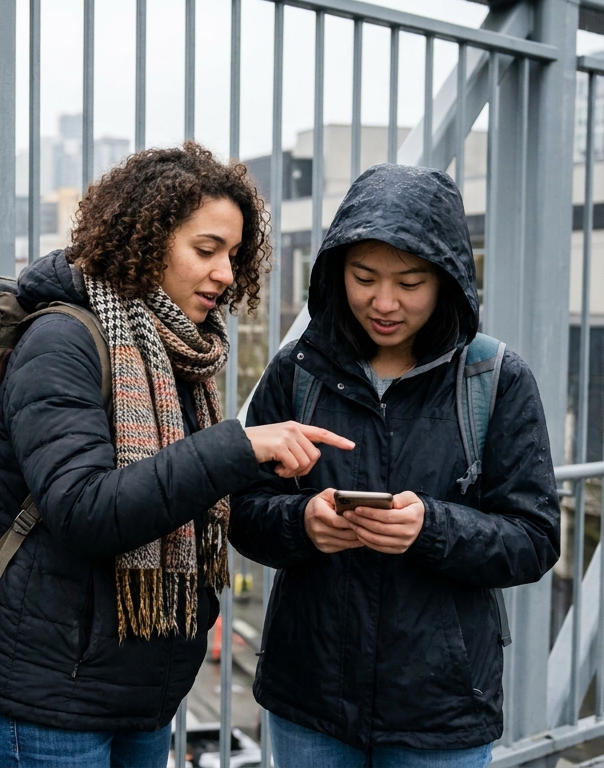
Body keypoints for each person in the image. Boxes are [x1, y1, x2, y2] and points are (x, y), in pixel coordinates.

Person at [0, 142, 353, 767]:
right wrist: (239, 445)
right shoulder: (61, 341)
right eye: (206, 251)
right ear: (143, 240)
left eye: (233, 254)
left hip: (141, 694)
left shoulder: (175, 351)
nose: (226, 274)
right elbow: (84, 507)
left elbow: (186, 495)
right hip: (49, 701)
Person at [230, 163, 560, 767]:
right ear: (336, 273)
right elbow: (243, 510)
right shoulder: (296, 371)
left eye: (410, 283)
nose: (383, 303)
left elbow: (535, 539)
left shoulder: (495, 380)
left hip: (441, 711)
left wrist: (430, 528)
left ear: (448, 281)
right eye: (363, 278)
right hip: (309, 696)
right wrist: (302, 523)